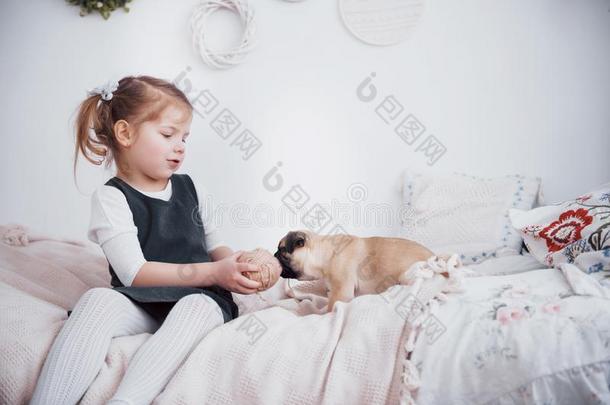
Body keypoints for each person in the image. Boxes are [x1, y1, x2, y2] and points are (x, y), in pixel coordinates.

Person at [30, 75, 262, 405]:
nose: (180, 146)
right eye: (168, 134)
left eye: (185, 137)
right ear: (125, 133)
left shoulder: (192, 190)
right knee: (98, 299)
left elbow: (215, 245)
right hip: (144, 301)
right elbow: (134, 274)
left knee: (195, 306)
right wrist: (214, 271)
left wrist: (234, 265)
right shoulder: (111, 198)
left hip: (201, 298)